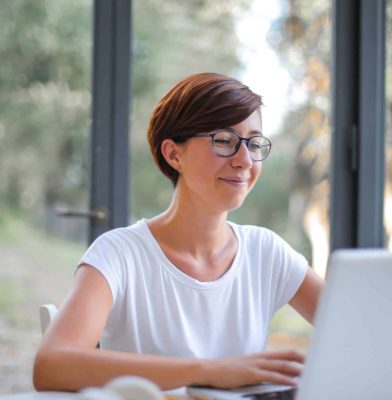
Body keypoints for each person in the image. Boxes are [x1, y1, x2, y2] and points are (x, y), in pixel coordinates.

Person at [33, 72, 324, 392]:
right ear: (174, 154)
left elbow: (361, 327)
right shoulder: (119, 253)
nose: (244, 160)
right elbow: (52, 365)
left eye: (254, 143)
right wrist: (210, 371)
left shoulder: (266, 251)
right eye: (224, 141)